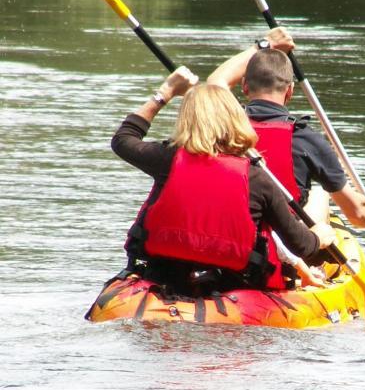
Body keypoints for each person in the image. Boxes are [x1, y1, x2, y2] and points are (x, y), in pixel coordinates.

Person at [111, 66, 336, 296]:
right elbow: (300, 245)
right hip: (231, 287)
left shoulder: (166, 159)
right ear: (237, 120)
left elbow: (123, 140)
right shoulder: (257, 179)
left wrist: (165, 92)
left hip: (163, 278)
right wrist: (319, 237)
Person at [207, 28, 365, 234]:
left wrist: (264, 44)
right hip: (287, 246)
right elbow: (357, 215)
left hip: (230, 233)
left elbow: (216, 82)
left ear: (244, 86)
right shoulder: (307, 139)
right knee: (320, 193)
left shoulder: (227, 122)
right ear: (290, 91)